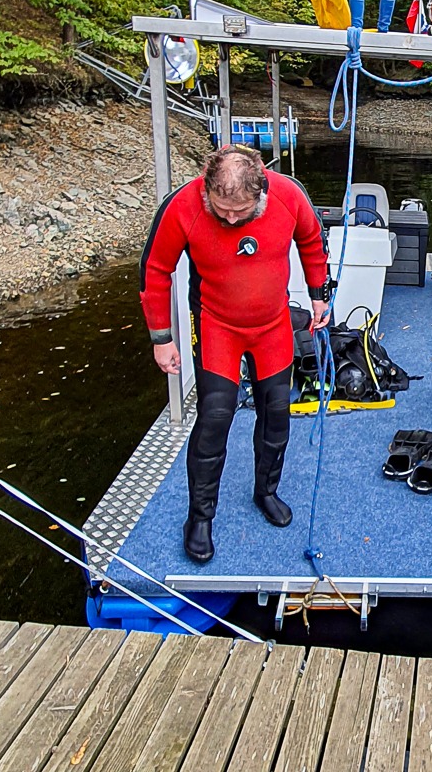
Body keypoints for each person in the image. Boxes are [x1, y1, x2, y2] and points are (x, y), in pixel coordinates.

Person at [139, 146, 330, 564]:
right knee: (215, 416)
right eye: (221, 210)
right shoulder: (184, 205)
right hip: (216, 324)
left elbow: (312, 240)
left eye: (239, 211)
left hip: (272, 324)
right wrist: (161, 337)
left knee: (277, 411)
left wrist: (318, 294)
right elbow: (155, 270)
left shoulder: (288, 195)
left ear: (260, 191)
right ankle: (200, 517)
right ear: (207, 188)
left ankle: (266, 491)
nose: (229, 219)